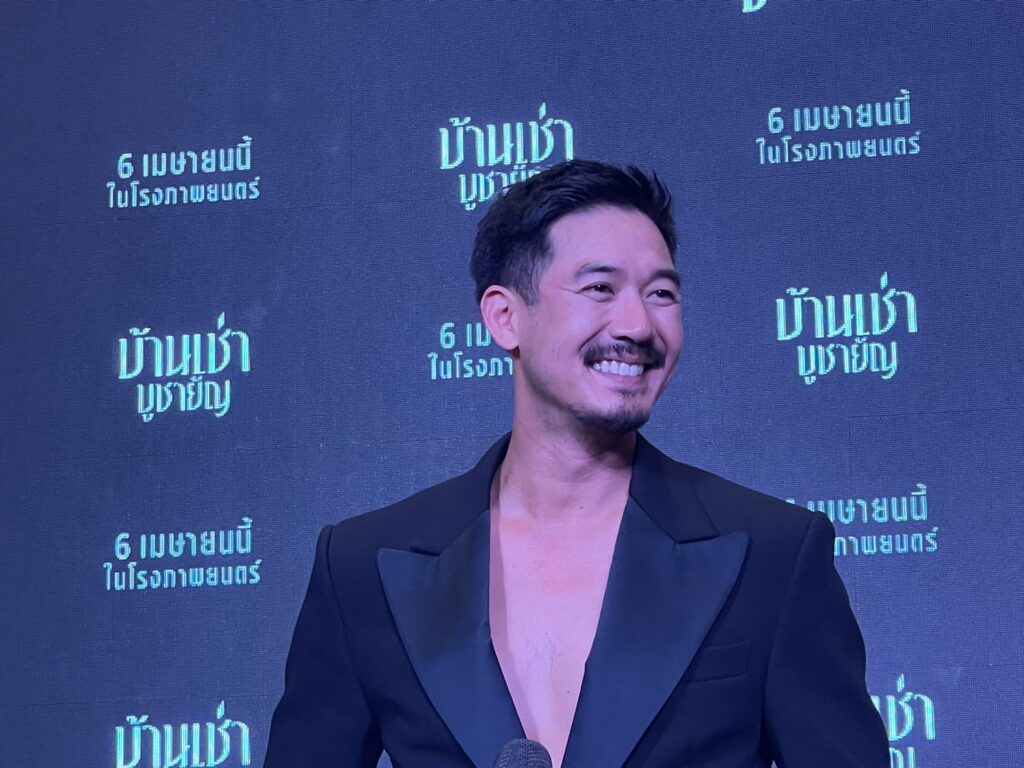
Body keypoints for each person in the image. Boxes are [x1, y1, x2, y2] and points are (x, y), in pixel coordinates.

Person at [264, 160, 889, 767]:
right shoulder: (362, 566)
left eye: (661, 294)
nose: (637, 325)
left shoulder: (774, 554)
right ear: (505, 317)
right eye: (599, 288)